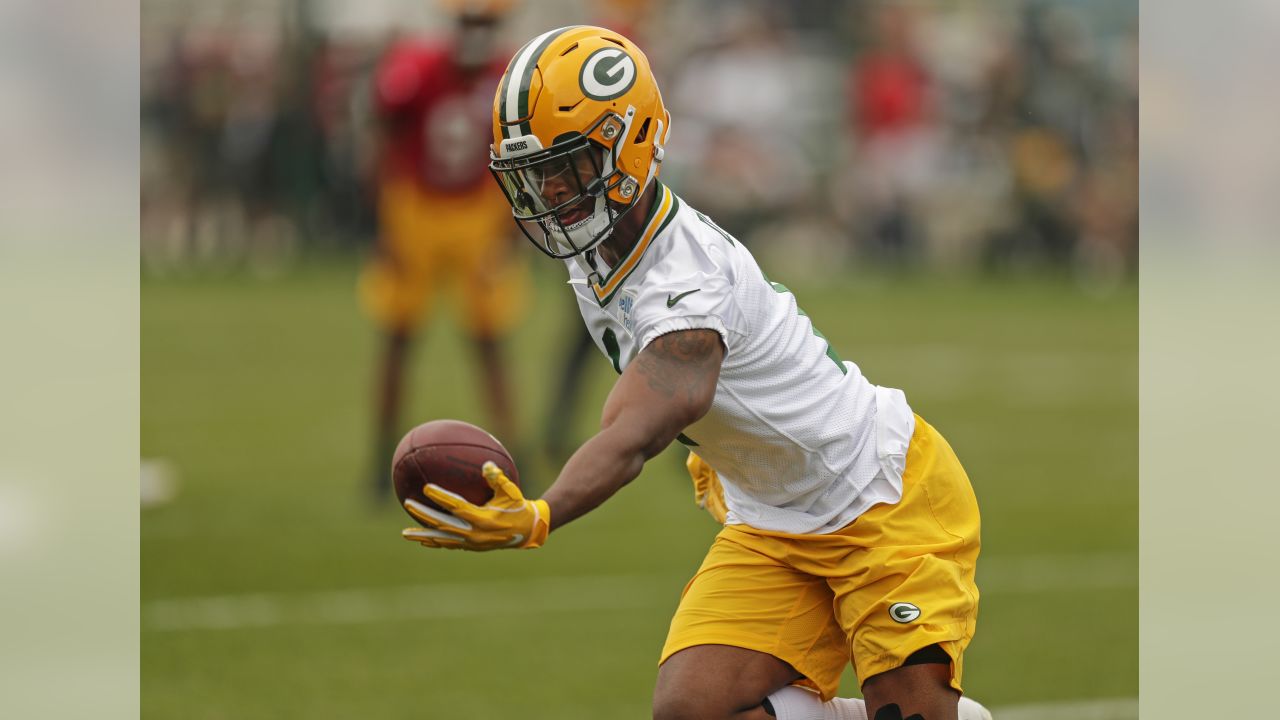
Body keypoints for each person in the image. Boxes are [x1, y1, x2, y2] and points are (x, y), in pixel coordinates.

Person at [401, 26, 991, 720]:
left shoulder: (688, 281)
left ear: (631, 144)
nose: (548, 192)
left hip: (879, 499)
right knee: (690, 712)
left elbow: (635, 434)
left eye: (566, 167)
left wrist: (543, 512)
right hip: (774, 517)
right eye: (531, 175)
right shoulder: (598, 242)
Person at [359, 0, 527, 500]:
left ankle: (513, 451)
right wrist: (384, 218)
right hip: (416, 205)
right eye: (469, 23)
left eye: (487, 24)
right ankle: (379, 455)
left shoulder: (506, 74)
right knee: (398, 334)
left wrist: (511, 227)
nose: (476, 34)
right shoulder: (418, 67)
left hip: (478, 207)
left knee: (490, 338)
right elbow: (382, 131)